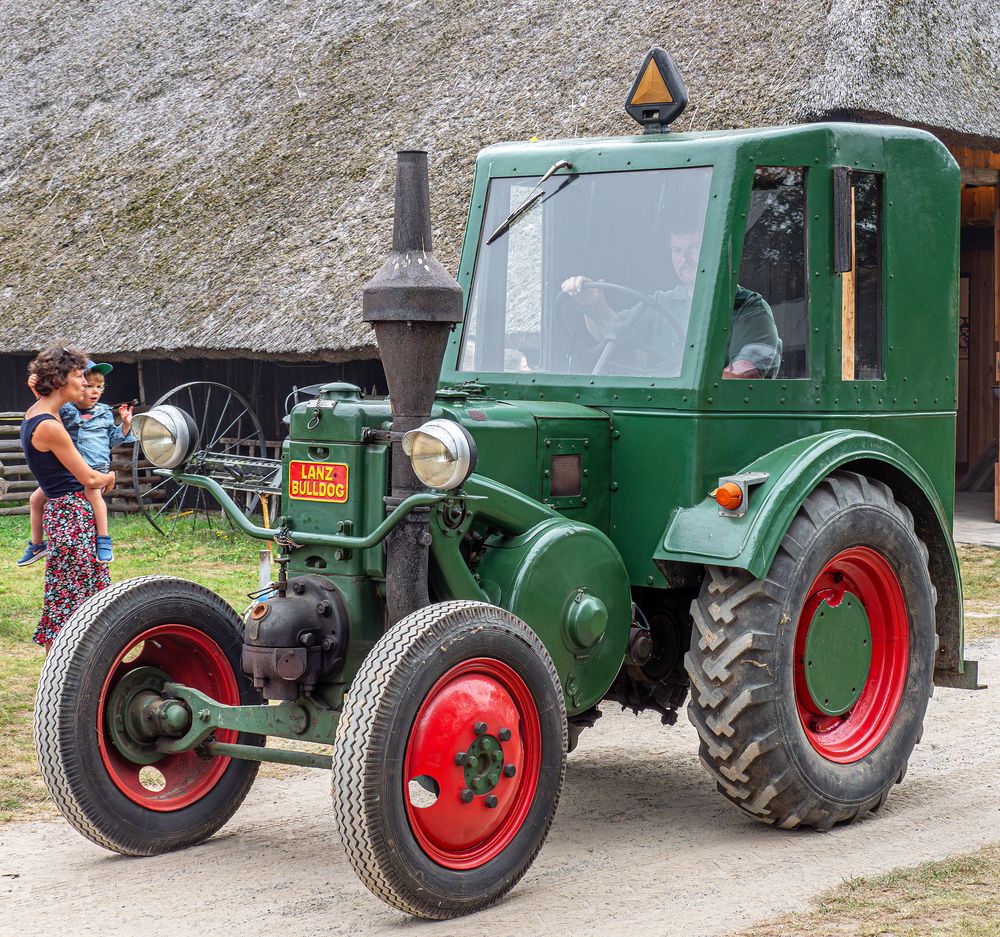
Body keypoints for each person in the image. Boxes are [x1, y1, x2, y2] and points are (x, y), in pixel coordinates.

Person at [561, 224, 781, 378]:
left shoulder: (749, 308)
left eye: (694, 248)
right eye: (677, 250)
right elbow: (611, 331)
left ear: (715, 250)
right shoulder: (661, 303)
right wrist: (593, 305)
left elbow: (742, 376)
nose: (684, 258)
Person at [19, 347, 115, 649]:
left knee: (66, 597)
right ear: (60, 380)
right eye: (78, 377)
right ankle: (62, 679)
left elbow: (36, 383)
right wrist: (110, 477)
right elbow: (88, 477)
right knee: (74, 603)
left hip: (60, 513)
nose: (84, 384)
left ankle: (65, 676)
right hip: (72, 515)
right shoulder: (50, 426)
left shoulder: (38, 413)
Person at [18, 361, 134, 566]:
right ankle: (37, 544)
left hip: (93, 467)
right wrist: (36, 388)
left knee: (93, 494)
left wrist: (125, 426)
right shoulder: (66, 410)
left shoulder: (105, 412)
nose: (92, 390)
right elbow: (48, 404)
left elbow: (112, 440)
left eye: (99, 387)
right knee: (36, 499)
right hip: (72, 466)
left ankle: (104, 539)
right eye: (87, 384)